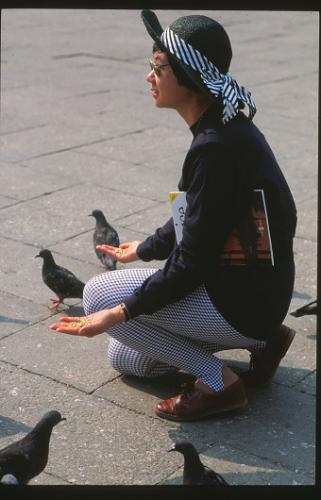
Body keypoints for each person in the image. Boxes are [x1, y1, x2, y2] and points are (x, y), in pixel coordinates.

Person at [50, 10, 297, 422]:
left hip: (241, 301)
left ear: (190, 74)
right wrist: (145, 248)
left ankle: (220, 383)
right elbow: (204, 212)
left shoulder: (217, 148)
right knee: (127, 358)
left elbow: (191, 262)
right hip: (258, 294)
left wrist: (120, 311)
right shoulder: (226, 126)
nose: (149, 76)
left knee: (97, 296)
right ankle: (264, 342)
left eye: (158, 66)